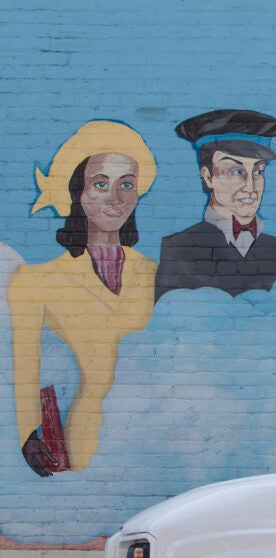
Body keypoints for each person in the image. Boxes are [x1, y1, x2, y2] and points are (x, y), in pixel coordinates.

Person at [9, 120, 159, 475]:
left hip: (154, 433)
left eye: (127, 184)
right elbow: (25, 364)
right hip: (89, 438)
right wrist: (28, 433)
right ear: (77, 191)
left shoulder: (157, 274)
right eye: (100, 184)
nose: (115, 197)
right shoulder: (34, 282)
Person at [155, 109, 276, 301]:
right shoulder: (180, 248)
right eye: (236, 171)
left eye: (258, 172)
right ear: (209, 177)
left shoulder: (275, 250)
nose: (250, 187)